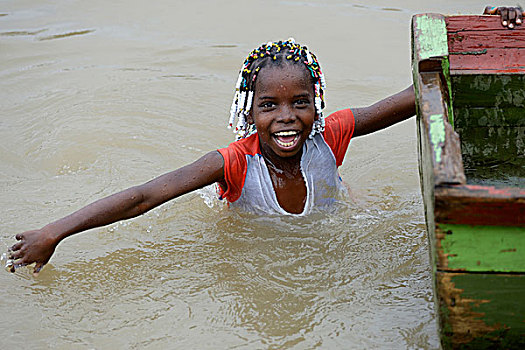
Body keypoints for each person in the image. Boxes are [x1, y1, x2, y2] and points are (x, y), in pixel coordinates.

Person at [6, 6, 523, 275]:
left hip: (325, 216)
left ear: (315, 103)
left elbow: (420, 91)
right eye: (269, 106)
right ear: (248, 112)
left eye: (300, 102)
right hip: (245, 223)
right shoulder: (232, 163)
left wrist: (489, 28)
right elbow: (146, 195)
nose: (287, 118)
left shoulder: (332, 133)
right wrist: (57, 230)